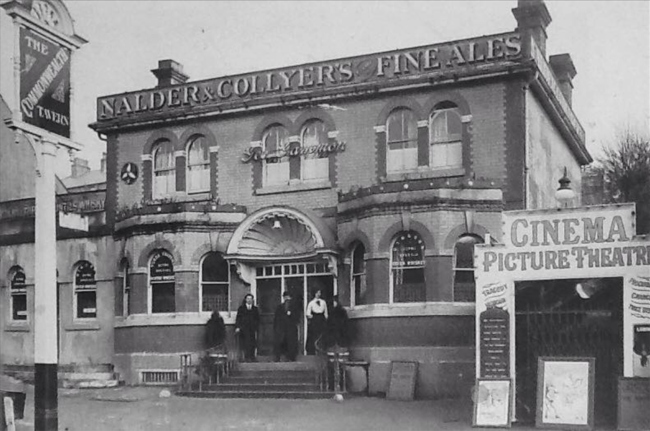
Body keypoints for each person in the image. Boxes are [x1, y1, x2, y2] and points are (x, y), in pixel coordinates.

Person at [273, 291, 300, 361]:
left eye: (288, 297)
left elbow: (297, 317)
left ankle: (291, 357)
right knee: (281, 342)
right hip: (282, 328)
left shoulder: (294, 307)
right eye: (285, 297)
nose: (287, 298)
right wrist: (276, 327)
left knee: (291, 343)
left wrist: (291, 315)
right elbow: (276, 317)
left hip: (291, 328)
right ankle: (280, 357)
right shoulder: (280, 307)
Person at [235, 294, 260, 362]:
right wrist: (237, 327)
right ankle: (246, 357)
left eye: (250, 299)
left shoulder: (255, 309)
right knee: (245, 343)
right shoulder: (241, 308)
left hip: (252, 328)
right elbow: (238, 318)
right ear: (245, 300)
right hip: (244, 328)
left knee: (252, 343)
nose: (249, 300)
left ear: (252, 300)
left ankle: (252, 357)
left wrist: (256, 327)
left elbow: (257, 319)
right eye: (248, 298)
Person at [306, 289, 328, 354]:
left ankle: (322, 350)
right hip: (315, 320)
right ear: (314, 294)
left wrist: (325, 318)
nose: (318, 294)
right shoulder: (311, 303)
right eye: (317, 293)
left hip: (322, 319)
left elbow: (326, 312)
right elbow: (308, 313)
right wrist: (313, 317)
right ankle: (313, 350)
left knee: (322, 334)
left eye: (319, 292)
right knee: (314, 334)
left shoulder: (323, 302)